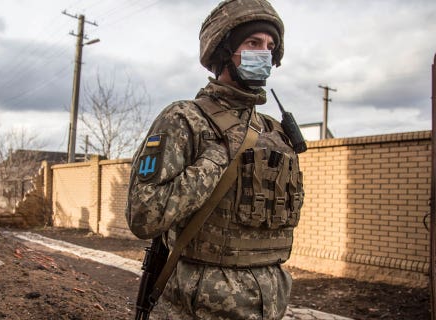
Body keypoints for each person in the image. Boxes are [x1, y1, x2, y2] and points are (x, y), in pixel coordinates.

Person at [125, 0, 304, 319]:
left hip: (269, 304)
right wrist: (218, 157)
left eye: (270, 45)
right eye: (253, 42)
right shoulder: (184, 120)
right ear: (224, 51)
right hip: (200, 307)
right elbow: (143, 216)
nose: (264, 52)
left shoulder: (272, 130)